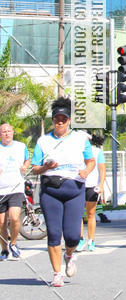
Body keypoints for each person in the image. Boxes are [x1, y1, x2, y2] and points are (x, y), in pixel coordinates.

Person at [30, 97, 95, 287]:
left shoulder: (80, 138)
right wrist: (45, 167)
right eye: (57, 119)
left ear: (69, 120)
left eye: (64, 119)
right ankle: (57, 273)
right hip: (51, 190)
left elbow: (90, 161)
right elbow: (34, 168)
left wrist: (86, 171)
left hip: (74, 189)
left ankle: (69, 254)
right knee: (54, 233)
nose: (60, 122)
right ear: (52, 120)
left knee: (73, 235)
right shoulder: (43, 141)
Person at [0, 122, 30, 260]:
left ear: (12, 132)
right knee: (1, 223)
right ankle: (4, 249)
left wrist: (24, 166)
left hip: (16, 187)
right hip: (1, 190)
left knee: (14, 217)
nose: (6, 134)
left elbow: (27, 160)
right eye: (3, 132)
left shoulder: (20, 146)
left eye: (8, 131)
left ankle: (14, 243)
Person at [76, 132, 106, 252]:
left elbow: (102, 169)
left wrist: (101, 184)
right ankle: (80, 239)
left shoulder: (97, 151)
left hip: (92, 185)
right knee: (77, 214)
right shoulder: (75, 151)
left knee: (90, 214)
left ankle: (91, 240)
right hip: (77, 184)